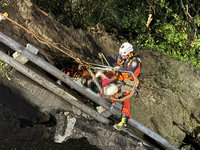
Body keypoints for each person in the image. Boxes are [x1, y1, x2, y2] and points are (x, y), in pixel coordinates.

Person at [106, 42, 141, 130]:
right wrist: (104, 57)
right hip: (121, 79)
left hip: (130, 82)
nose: (122, 56)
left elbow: (131, 71)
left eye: (124, 55)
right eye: (121, 54)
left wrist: (120, 68)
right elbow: (113, 59)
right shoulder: (120, 55)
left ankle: (124, 121)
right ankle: (106, 106)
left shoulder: (135, 61)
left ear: (129, 53)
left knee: (125, 98)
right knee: (110, 87)